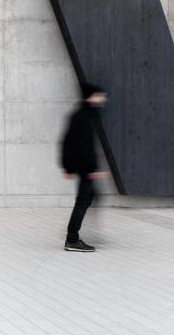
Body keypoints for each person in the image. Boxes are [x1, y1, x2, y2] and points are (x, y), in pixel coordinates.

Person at [60, 83, 108, 252]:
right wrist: (92, 169)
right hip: (85, 168)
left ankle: (75, 235)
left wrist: (68, 167)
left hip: (82, 167)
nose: (103, 98)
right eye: (100, 95)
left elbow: (67, 142)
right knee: (83, 201)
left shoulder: (83, 114)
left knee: (91, 197)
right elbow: (83, 146)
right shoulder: (84, 117)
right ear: (91, 96)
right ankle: (72, 239)